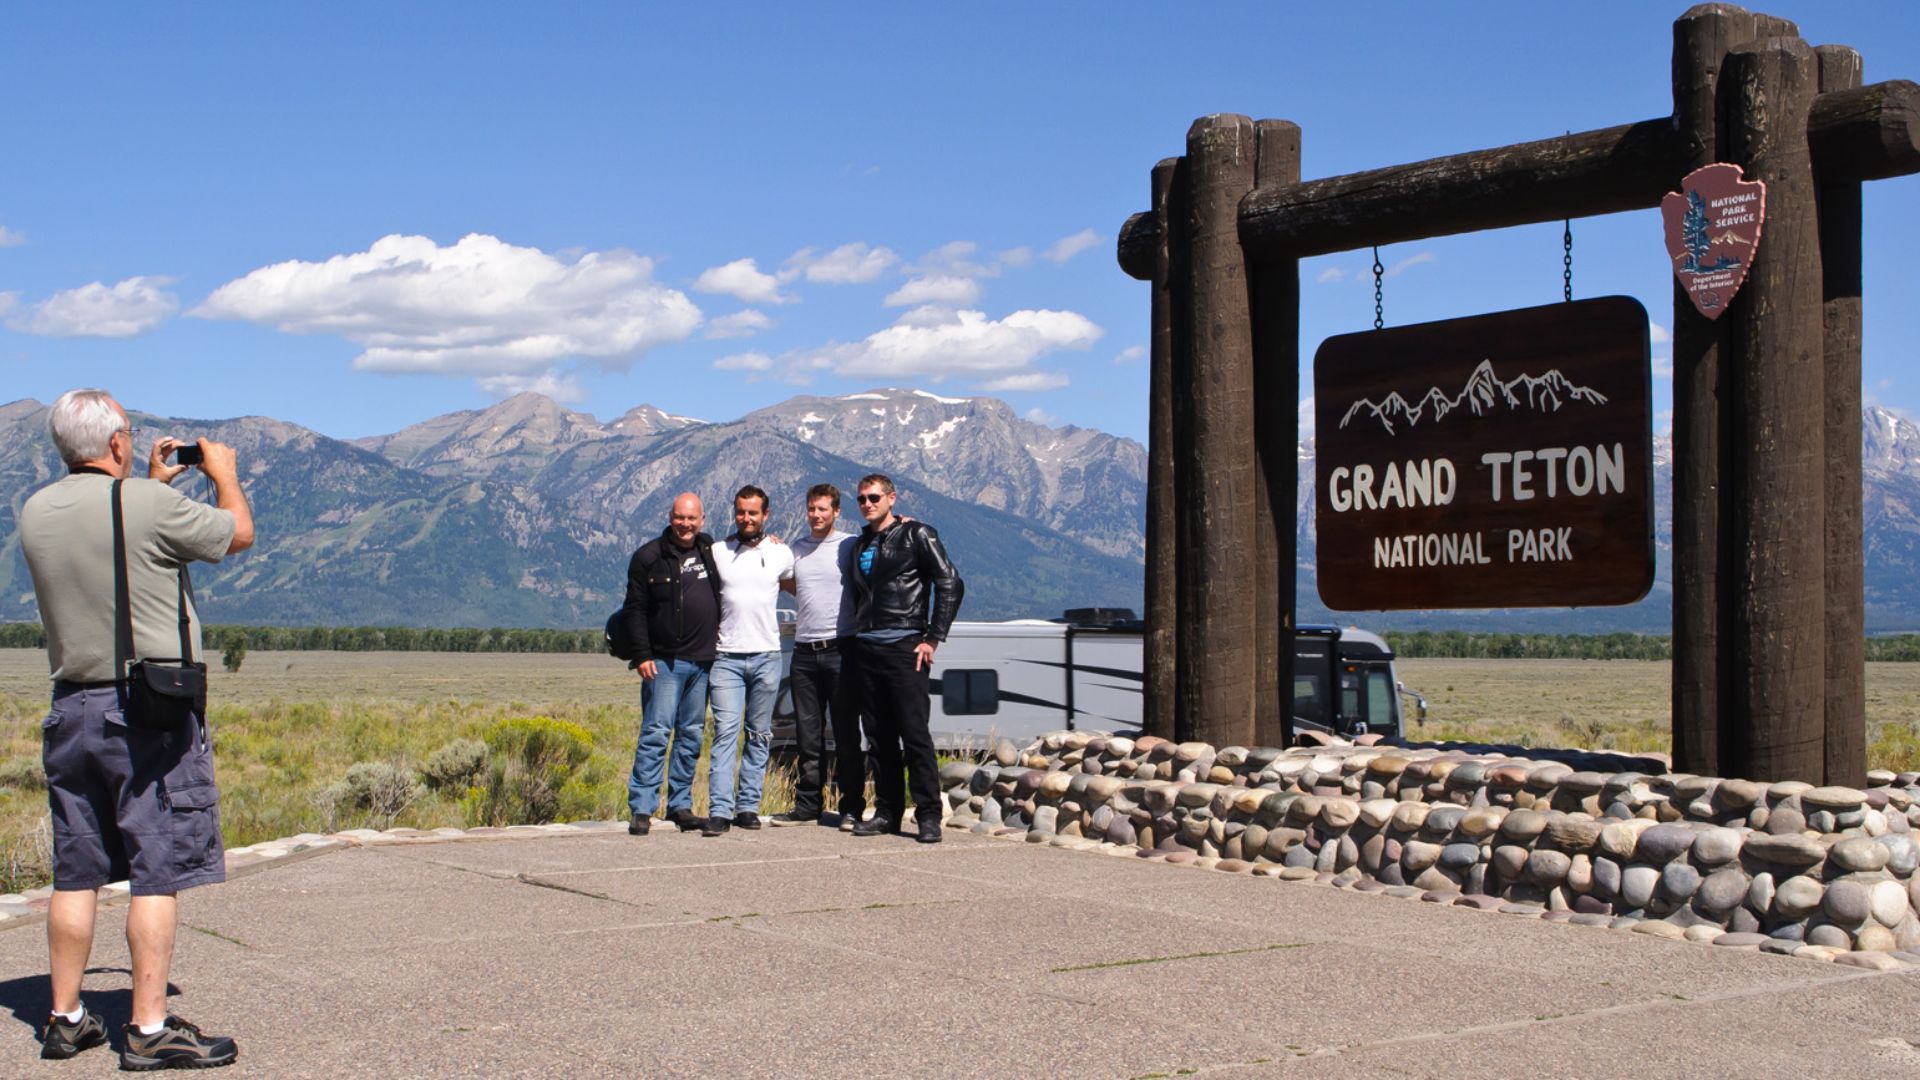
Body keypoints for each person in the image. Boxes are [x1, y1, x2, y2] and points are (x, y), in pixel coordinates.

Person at [19, 388, 252, 1069]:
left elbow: (111, 555)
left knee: (76, 868)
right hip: (146, 712)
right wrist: (223, 475)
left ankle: (65, 1019)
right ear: (117, 442)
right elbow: (236, 534)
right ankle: (148, 1030)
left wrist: (149, 486)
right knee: (157, 868)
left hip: (71, 706)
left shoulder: (34, 512)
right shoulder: (149, 507)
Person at [846, 474, 963, 844]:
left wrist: (933, 637)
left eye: (874, 497)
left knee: (914, 735)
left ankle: (929, 815)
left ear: (892, 498)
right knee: (879, 738)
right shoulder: (860, 543)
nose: (867, 504)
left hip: (905, 645)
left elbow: (950, 583)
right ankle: (887, 812)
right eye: (862, 499)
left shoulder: (918, 534)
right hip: (867, 646)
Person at [620, 492, 721, 836]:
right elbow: (634, 609)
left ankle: (680, 805)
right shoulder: (648, 557)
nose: (685, 524)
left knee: (691, 735)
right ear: (670, 517)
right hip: (664, 662)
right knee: (656, 733)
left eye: (692, 519)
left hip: (703, 661)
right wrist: (642, 655)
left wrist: (770, 539)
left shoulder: (710, 550)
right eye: (680, 517)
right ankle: (642, 808)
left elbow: (746, 551)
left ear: (702, 520)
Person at [702, 485, 795, 836]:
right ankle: (719, 810)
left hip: (767, 656)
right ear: (734, 513)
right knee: (725, 733)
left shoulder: (781, 552)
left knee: (759, 734)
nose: (746, 518)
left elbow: (803, 585)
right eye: (741, 512)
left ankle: (747, 807)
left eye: (753, 512)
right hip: (726, 656)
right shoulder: (717, 551)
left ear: (765, 515)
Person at [772, 484, 862, 827]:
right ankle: (807, 805)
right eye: (812, 509)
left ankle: (851, 807)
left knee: (845, 733)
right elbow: (791, 585)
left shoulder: (850, 544)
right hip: (804, 653)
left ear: (836, 511)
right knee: (807, 734)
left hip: (841, 649)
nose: (816, 515)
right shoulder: (796, 549)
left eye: (823, 509)